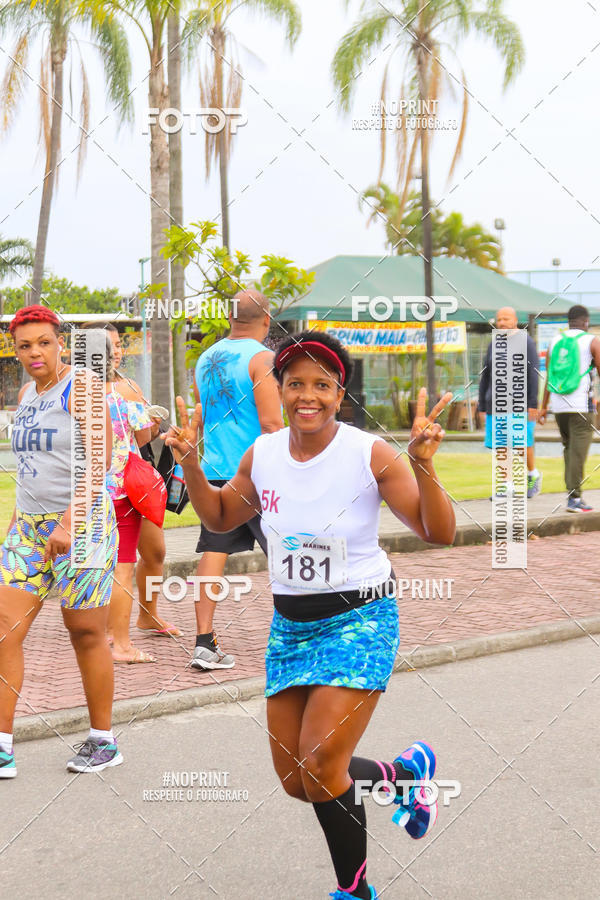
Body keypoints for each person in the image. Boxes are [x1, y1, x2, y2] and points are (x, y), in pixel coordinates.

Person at [165, 331, 456, 899]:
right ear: (279, 388)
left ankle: (355, 890)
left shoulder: (368, 453)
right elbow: (222, 516)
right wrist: (193, 466)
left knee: (322, 762)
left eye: (321, 385)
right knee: (299, 781)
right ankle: (402, 778)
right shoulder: (263, 454)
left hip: (361, 619)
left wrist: (422, 464)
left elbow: (438, 532)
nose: (307, 396)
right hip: (291, 628)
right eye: (294, 382)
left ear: (338, 393)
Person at [0, 307, 120, 777]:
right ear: (15, 351)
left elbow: (100, 460)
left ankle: (103, 740)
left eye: (43, 342)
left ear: (60, 344)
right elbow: (28, 466)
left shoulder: (82, 389)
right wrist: (15, 521)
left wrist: (69, 521)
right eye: (25, 345)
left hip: (84, 526)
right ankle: (3, 744)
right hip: (29, 528)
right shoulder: (28, 393)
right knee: (4, 628)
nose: (35, 352)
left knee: (86, 631)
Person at [190, 288, 283, 670]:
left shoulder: (205, 358)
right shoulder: (263, 358)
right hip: (256, 472)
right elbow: (272, 423)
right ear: (266, 320)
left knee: (213, 553)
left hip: (215, 471)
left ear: (230, 318)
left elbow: (202, 414)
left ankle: (203, 642)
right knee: (285, 553)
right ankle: (294, 636)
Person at [82, 322, 180, 639]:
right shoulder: (76, 385)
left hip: (134, 478)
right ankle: (104, 626)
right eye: (108, 345)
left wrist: (150, 424)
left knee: (154, 552)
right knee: (105, 557)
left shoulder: (128, 385)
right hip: (94, 482)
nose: (116, 351)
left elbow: (143, 438)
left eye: (118, 344)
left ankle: (147, 615)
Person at [539, 305, 600, 512]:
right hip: (581, 405)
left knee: (569, 449)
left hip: (558, 406)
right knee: (578, 453)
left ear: (569, 321)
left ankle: (572, 495)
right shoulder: (591, 340)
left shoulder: (555, 341)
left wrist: (543, 407)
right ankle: (574, 498)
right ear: (585, 322)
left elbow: (549, 376)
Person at [478, 306, 541, 498]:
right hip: (495, 405)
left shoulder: (526, 342)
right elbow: (485, 376)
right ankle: (507, 484)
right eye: (499, 320)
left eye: (506, 319)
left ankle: (533, 474)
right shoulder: (494, 344)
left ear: (515, 320)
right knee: (501, 445)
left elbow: (533, 374)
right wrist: (482, 404)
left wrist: (532, 404)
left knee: (522, 444)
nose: (502, 323)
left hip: (519, 404)